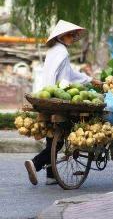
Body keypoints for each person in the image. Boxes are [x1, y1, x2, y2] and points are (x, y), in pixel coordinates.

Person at [24, 20, 102, 185]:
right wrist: (52, 96)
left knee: (52, 137)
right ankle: (35, 163)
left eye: (73, 35)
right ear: (60, 36)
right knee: (58, 142)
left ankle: (51, 176)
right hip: (57, 97)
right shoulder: (62, 53)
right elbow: (53, 75)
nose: (72, 38)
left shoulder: (55, 50)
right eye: (69, 35)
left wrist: (90, 79)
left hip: (50, 96)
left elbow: (71, 74)